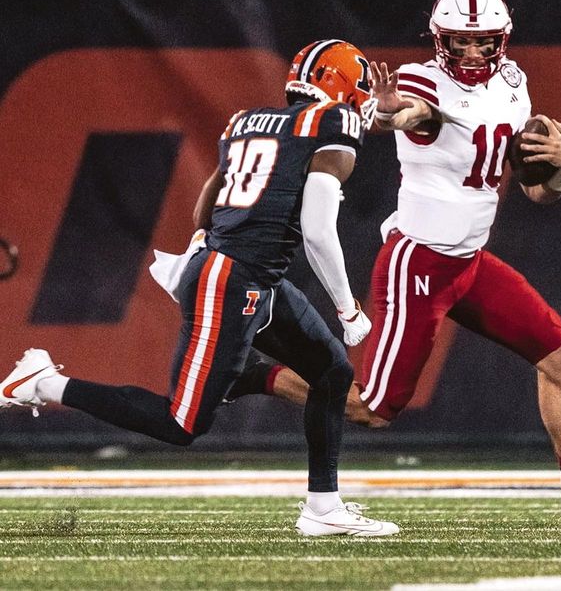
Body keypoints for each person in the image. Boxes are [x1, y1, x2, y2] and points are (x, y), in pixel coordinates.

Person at [226, 0, 561, 531]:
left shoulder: (513, 82)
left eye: (484, 42)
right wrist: (389, 114)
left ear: (502, 40)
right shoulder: (419, 80)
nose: (475, 53)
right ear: (440, 39)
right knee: (372, 409)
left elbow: (536, 191)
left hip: (469, 263)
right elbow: (409, 115)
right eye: (461, 42)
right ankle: (244, 373)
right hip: (419, 263)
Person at [0, 39, 399, 538]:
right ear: (339, 89)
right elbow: (317, 228)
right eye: (358, 91)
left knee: (331, 372)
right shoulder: (332, 125)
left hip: (248, 275)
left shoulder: (246, 122)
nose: (361, 103)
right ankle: (39, 382)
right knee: (181, 424)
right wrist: (347, 309)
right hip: (231, 278)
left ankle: (322, 507)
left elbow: (201, 214)